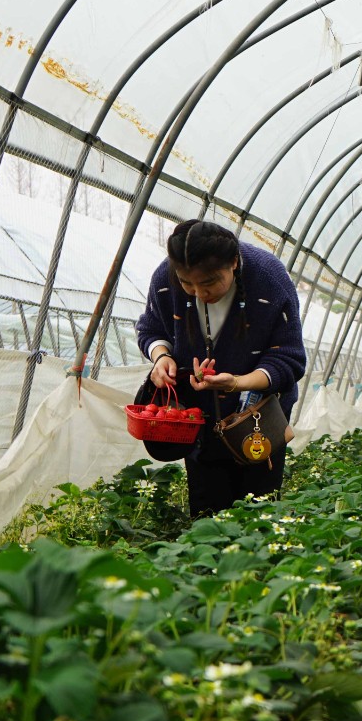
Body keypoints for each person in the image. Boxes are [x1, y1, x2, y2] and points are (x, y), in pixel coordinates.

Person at [137, 219, 306, 515]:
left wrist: (236, 383)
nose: (198, 293)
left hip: (259, 420)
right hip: (199, 419)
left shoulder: (269, 278)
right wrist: (162, 357)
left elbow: (289, 358)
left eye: (209, 282)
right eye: (187, 283)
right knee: (207, 513)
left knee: (259, 511)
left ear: (234, 262)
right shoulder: (165, 279)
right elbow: (151, 329)